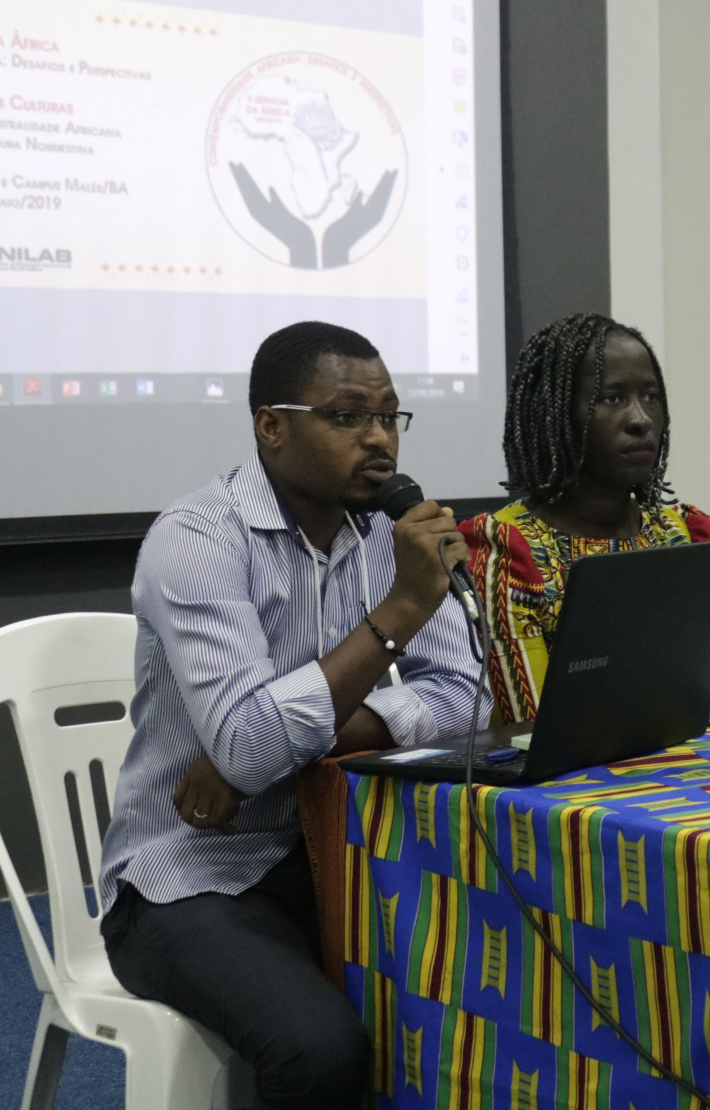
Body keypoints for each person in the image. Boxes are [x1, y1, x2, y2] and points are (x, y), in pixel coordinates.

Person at [97, 321, 482, 1109]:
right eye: (347, 416)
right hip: (192, 874)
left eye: (390, 416)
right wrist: (399, 613)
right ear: (271, 426)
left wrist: (293, 745)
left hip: (344, 852)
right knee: (319, 1052)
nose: (379, 439)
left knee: (473, 994)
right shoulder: (197, 539)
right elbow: (245, 746)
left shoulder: (389, 531)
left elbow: (466, 700)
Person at [458, 313, 710, 722]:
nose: (641, 419)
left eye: (652, 396)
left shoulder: (685, 534)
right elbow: (530, 731)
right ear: (557, 414)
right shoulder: (508, 551)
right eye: (613, 399)